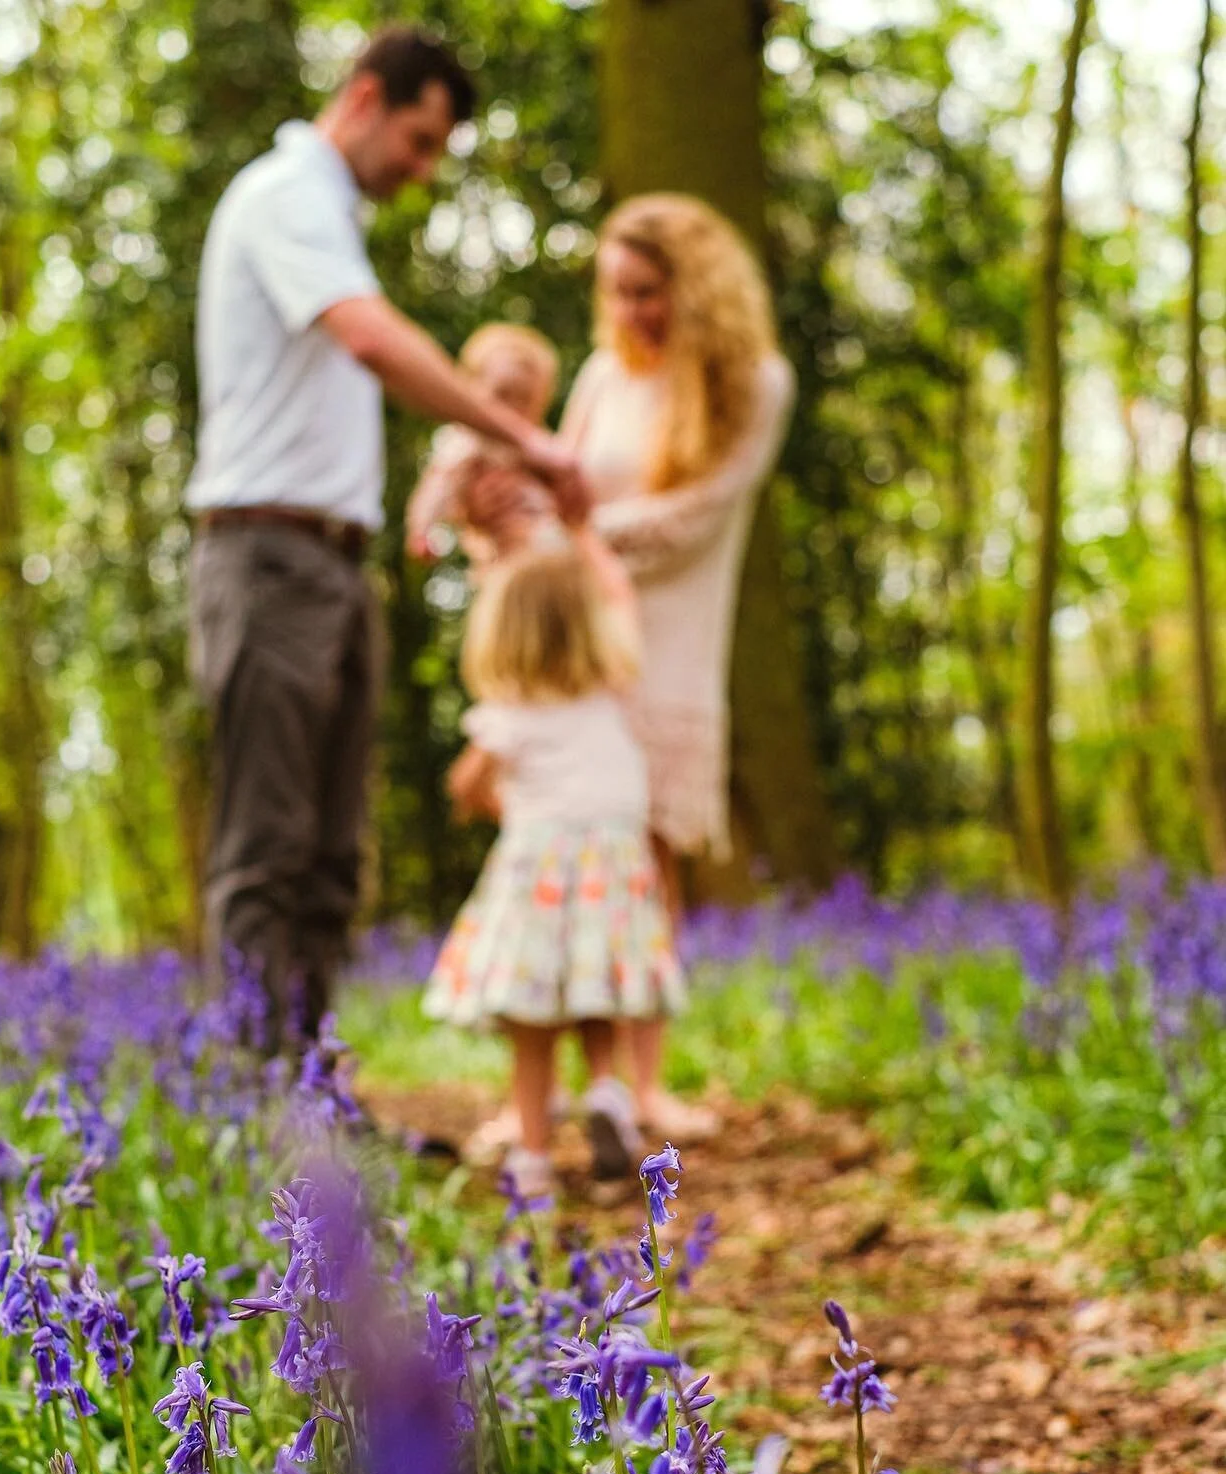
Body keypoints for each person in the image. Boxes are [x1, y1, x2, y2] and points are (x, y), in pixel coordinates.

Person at [185, 29, 587, 1054]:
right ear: (364, 97)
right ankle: (255, 1114)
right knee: (270, 847)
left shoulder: (329, 217)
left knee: (328, 857)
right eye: (418, 139)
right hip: (268, 555)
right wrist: (526, 442)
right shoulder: (286, 196)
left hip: (329, 561)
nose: (423, 169)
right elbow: (371, 339)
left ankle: (307, 1101)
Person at [471, 192, 795, 1139]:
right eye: (617, 294)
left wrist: (575, 536)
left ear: (698, 288)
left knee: (646, 861)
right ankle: (544, 1090)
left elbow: (697, 518)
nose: (630, 314)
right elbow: (552, 478)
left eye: (649, 292)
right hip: (578, 653)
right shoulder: (605, 377)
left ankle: (641, 1085)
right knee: (549, 851)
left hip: (671, 647)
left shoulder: (754, 382)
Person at [422, 536, 683, 1202]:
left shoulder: (509, 715)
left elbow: (462, 785)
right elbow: (621, 598)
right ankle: (606, 1089)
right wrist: (588, 534)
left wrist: (500, 804)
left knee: (532, 1030)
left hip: (539, 880)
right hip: (612, 877)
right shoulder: (613, 695)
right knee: (597, 999)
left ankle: (535, 1160)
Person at [406, 323, 563, 567]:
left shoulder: (538, 442)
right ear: (470, 391)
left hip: (548, 550)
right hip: (496, 557)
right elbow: (439, 484)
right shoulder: (466, 442)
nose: (512, 409)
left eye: (525, 399)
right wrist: (423, 530)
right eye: (502, 394)